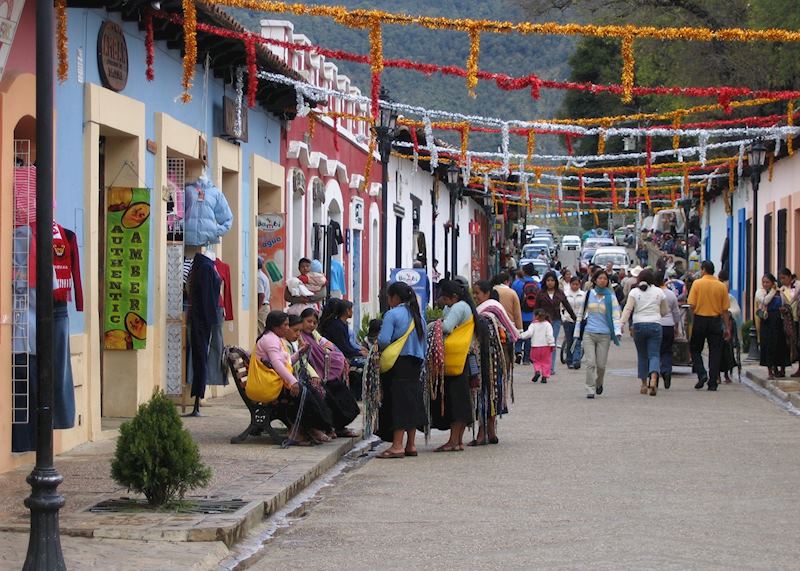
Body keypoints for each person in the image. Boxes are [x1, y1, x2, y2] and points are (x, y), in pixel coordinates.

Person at [253, 311, 332, 445]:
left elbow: (287, 362)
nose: (287, 328)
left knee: (311, 391)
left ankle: (313, 428)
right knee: (303, 393)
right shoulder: (270, 340)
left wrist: (300, 353)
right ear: (276, 327)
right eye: (285, 325)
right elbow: (278, 365)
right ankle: (302, 431)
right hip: (269, 386)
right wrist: (293, 382)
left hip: (276, 382)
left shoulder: (275, 339)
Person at [374, 282, 428, 458]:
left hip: (398, 363)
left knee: (398, 403)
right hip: (416, 363)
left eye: (389, 297)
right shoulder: (419, 316)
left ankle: (397, 446)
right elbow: (425, 344)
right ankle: (410, 445)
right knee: (412, 402)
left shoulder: (392, 314)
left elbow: (383, 340)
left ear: (395, 297)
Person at [297, 309, 360, 438]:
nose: (312, 325)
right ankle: (328, 427)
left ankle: (340, 427)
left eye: (314, 322)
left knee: (342, 392)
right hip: (310, 375)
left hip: (324, 372)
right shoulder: (298, 337)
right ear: (301, 320)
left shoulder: (314, 335)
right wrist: (314, 374)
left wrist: (337, 356)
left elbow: (327, 345)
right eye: (309, 321)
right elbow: (302, 359)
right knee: (327, 394)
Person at [431, 280, 477, 452]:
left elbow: (447, 327)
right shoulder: (464, 306)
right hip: (463, 358)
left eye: (445, 298)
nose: (443, 301)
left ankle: (453, 441)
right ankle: (457, 441)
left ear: (454, 297)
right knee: (462, 400)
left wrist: (433, 324)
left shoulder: (458, 307)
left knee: (455, 401)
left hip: (455, 360)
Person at [472, 280, 518, 445]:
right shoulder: (490, 309)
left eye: (477, 293)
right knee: (491, 393)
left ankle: (483, 432)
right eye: (474, 293)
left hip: (489, 360)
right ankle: (490, 431)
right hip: (494, 359)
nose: (475, 296)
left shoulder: (490, 309)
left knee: (485, 393)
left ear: (487, 293)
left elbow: (509, 333)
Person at [621, 269, 668, 396]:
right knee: (654, 354)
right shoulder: (659, 291)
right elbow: (665, 310)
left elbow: (628, 309)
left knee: (642, 355)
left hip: (639, 325)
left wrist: (622, 323)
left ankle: (643, 384)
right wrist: (657, 314)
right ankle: (653, 378)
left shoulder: (634, 292)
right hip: (655, 324)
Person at [687, 261, 731, 391]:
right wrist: (727, 327)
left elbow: (691, 305)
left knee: (695, 349)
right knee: (715, 352)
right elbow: (725, 310)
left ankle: (701, 373)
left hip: (700, 319)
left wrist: (691, 322)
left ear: (704, 270)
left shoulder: (697, 284)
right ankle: (713, 382)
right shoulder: (721, 286)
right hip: (715, 321)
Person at [579, 270, 622, 398]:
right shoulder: (588, 294)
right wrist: (577, 332)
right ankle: (590, 388)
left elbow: (615, 316)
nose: (602, 280)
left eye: (605, 278)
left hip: (604, 335)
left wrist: (617, 331)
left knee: (601, 365)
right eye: (600, 278)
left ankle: (599, 382)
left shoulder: (611, 297)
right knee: (590, 363)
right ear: (595, 280)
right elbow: (581, 313)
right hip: (589, 333)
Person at [534, 271, 576, 375]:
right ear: (545, 281)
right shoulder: (540, 293)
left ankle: (550, 368)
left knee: (552, 342)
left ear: (555, 282)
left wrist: (574, 318)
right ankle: (541, 365)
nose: (550, 282)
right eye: (548, 280)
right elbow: (536, 308)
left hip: (556, 321)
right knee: (543, 344)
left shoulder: (559, 293)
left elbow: (567, 306)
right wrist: (535, 320)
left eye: (552, 280)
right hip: (542, 322)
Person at [755, 273, 791, 380]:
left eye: (767, 282)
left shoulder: (780, 292)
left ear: (772, 282)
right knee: (768, 346)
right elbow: (765, 301)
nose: (765, 284)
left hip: (778, 322)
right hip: (767, 322)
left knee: (780, 345)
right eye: (764, 282)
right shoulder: (760, 292)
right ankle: (770, 371)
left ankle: (781, 369)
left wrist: (784, 309)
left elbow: (785, 303)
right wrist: (773, 291)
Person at [657, 271, 682, 390]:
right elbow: (676, 312)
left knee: (655, 352)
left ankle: (655, 374)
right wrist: (676, 327)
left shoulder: (653, 293)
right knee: (667, 351)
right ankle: (666, 371)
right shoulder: (671, 294)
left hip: (656, 324)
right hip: (668, 325)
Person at [519, 309, 555, 383]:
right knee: (546, 361)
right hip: (546, 346)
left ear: (535, 316)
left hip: (535, 346)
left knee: (536, 361)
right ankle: (544, 376)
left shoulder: (533, 325)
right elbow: (549, 335)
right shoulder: (547, 324)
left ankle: (537, 371)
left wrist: (520, 335)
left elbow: (529, 333)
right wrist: (552, 344)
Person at [512, 263, 538, 364]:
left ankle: (518, 352)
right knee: (529, 336)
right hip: (532, 315)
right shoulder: (537, 284)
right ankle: (527, 358)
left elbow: (514, 299)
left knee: (519, 333)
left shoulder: (517, 284)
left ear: (523, 271)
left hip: (519, 314)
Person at [778, 268, 800, 376]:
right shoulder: (781, 290)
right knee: (787, 344)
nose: (782, 280)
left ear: (790, 277)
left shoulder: (797, 285)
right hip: (788, 320)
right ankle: (783, 368)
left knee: (798, 343)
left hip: (797, 318)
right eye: (780, 278)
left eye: (784, 278)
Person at [563, 276, 586, 369]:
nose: (575, 286)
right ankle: (569, 360)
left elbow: (586, 308)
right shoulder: (565, 294)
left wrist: (584, 317)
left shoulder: (583, 295)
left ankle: (576, 360)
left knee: (577, 341)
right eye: (573, 284)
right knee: (569, 341)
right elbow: (561, 307)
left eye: (577, 284)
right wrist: (564, 318)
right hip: (568, 320)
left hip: (580, 321)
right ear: (570, 284)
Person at [256, 257, 271, 333]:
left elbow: (261, 295)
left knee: (260, 331)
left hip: (262, 307)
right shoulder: (263, 275)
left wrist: (257, 309)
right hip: (265, 306)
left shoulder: (258, 276)